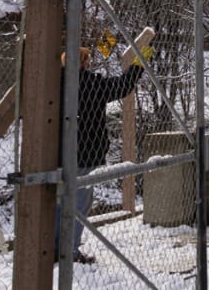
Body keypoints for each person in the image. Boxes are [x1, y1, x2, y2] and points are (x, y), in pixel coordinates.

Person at [59, 45, 148, 264]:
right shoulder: (90, 83)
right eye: (86, 60)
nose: (89, 63)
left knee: (62, 201)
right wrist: (138, 65)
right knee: (79, 203)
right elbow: (123, 86)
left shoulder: (53, 83)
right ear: (82, 63)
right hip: (84, 152)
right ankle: (68, 252)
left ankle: (56, 248)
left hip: (58, 151)